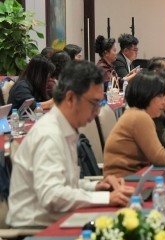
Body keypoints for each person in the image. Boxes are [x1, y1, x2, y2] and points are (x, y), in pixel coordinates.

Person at [6, 61, 132, 228]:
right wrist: (105, 198)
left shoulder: (65, 127)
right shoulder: (49, 135)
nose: (97, 112)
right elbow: (53, 196)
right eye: (94, 103)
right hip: (35, 231)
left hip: (58, 219)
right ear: (71, 98)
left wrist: (96, 187)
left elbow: (65, 185)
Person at [103, 72, 165, 178]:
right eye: (160, 96)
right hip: (123, 180)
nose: (163, 102)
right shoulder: (140, 117)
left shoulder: (138, 114)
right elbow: (159, 156)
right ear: (147, 95)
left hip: (136, 176)